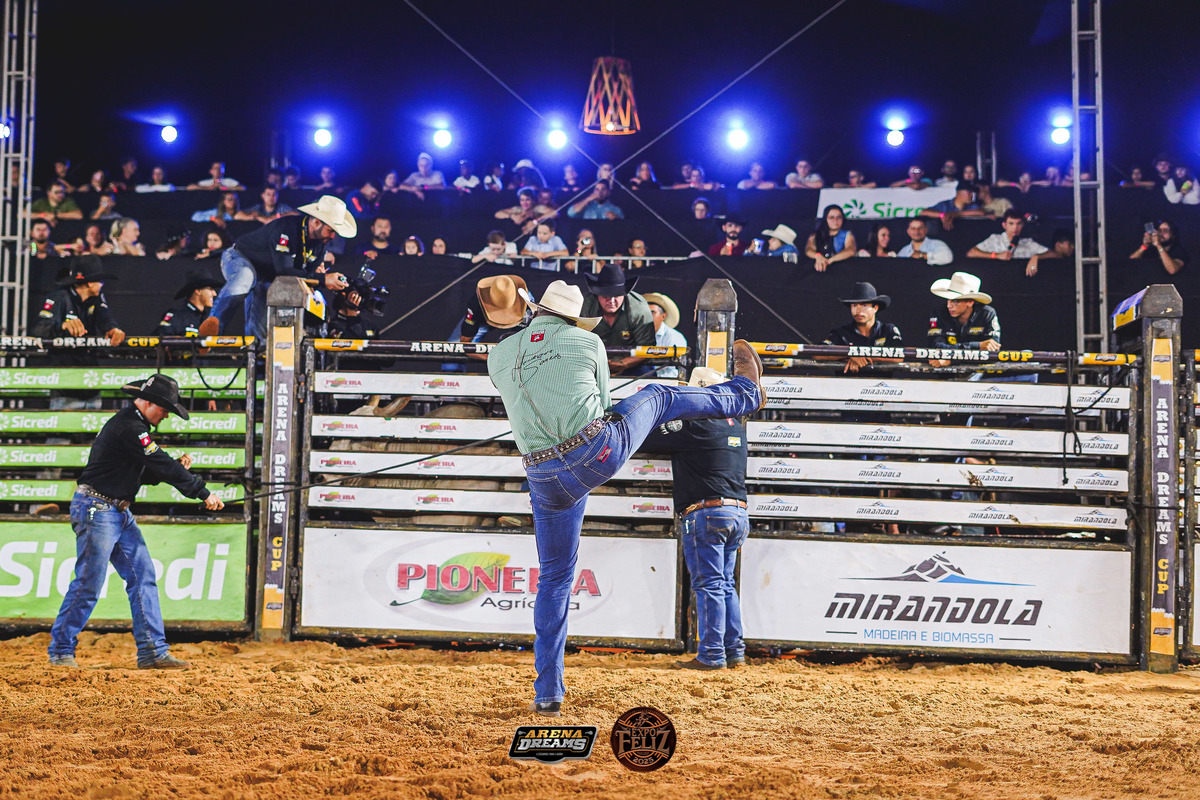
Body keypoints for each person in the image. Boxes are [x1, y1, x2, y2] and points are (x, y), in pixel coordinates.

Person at [486, 279, 764, 715]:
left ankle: (548, 692)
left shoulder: (498, 356)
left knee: (554, 578)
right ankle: (744, 393)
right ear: (573, 318)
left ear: (537, 312)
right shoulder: (587, 342)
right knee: (659, 394)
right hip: (593, 451)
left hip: (543, 473)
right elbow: (600, 403)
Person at [47, 375, 225, 670]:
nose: (166, 415)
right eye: (165, 409)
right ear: (150, 403)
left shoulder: (130, 426)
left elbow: (145, 472)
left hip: (112, 510)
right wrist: (202, 492)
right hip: (99, 510)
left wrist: (174, 470)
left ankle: (153, 651)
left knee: (141, 576)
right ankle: (61, 650)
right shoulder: (131, 428)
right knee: (90, 582)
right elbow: (159, 463)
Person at [641, 367, 749, 670]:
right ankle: (734, 650)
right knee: (724, 584)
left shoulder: (694, 424)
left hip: (707, 513)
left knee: (710, 585)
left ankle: (712, 655)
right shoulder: (735, 425)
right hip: (737, 512)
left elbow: (646, 437)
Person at [210, 194, 356, 338]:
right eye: (331, 231)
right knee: (245, 277)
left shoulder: (321, 244)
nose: (333, 237)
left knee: (263, 312)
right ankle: (213, 327)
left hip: (267, 274)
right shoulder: (287, 228)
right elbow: (285, 271)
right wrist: (323, 279)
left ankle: (256, 350)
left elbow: (306, 278)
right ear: (316, 223)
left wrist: (321, 280)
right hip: (240, 256)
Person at [31, 256, 125, 409]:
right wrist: (63, 326)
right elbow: (39, 330)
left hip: (90, 383)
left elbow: (106, 319)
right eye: (100, 281)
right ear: (89, 283)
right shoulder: (58, 297)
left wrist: (114, 329)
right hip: (66, 384)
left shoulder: (97, 298)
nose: (102, 285)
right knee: (64, 424)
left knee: (93, 423)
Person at [579, 263, 656, 375]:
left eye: (617, 295)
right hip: (592, 363)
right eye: (606, 295)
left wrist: (624, 363)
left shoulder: (638, 308)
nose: (611, 301)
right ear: (597, 294)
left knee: (648, 374)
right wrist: (598, 363)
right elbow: (577, 342)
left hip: (632, 364)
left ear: (624, 294)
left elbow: (648, 348)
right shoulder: (585, 305)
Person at [822, 282, 903, 373]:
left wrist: (863, 356)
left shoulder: (888, 330)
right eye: (854, 305)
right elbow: (818, 354)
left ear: (875, 308)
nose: (858, 311)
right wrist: (849, 355)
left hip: (880, 382)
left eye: (864, 305)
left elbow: (899, 356)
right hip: (848, 382)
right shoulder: (840, 333)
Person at [926, 272, 1000, 366]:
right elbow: (935, 348)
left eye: (955, 301)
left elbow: (992, 353)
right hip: (944, 372)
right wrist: (977, 346)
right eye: (948, 300)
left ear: (970, 302)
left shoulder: (987, 314)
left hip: (979, 371)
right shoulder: (939, 312)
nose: (949, 306)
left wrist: (950, 360)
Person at [967, 210, 1052, 275]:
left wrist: (1036, 257)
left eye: (1019, 224)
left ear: (1023, 225)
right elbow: (971, 253)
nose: (1015, 228)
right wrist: (996, 255)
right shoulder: (996, 239)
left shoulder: (1028, 243)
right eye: (1011, 224)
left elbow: (1054, 254)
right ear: (1004, 225)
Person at [156, 269, 224, 337]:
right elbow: (159, 338)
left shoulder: (208, 318)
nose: (214, 294)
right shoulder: (177, 316)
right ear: (198, 291)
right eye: (211, 289)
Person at [642, 291, 687, 379]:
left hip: (664, 382)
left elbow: (673, 371)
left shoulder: (674, 337)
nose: (648, 316)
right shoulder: (640, 335)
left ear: (663, 316)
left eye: (652, 312)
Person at [805, 205, 857, 271]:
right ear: (825, 219)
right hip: (819, 268)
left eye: (839, 217)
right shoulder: (815, 235)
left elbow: (850, 250)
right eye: (831, 217)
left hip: (841, 269)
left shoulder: (847, 235)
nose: (835, 220)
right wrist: (818, 256)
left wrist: (831, 260)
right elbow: (808, 250)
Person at [920, 183, 985, 230]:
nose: (972, 195)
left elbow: (981, 212)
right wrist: (943, 215)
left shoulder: (972, 205)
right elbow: (923, 212)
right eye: (969, 192)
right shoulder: (945, 205)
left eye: (972, 193)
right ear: (959, 192)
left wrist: (955, 214)